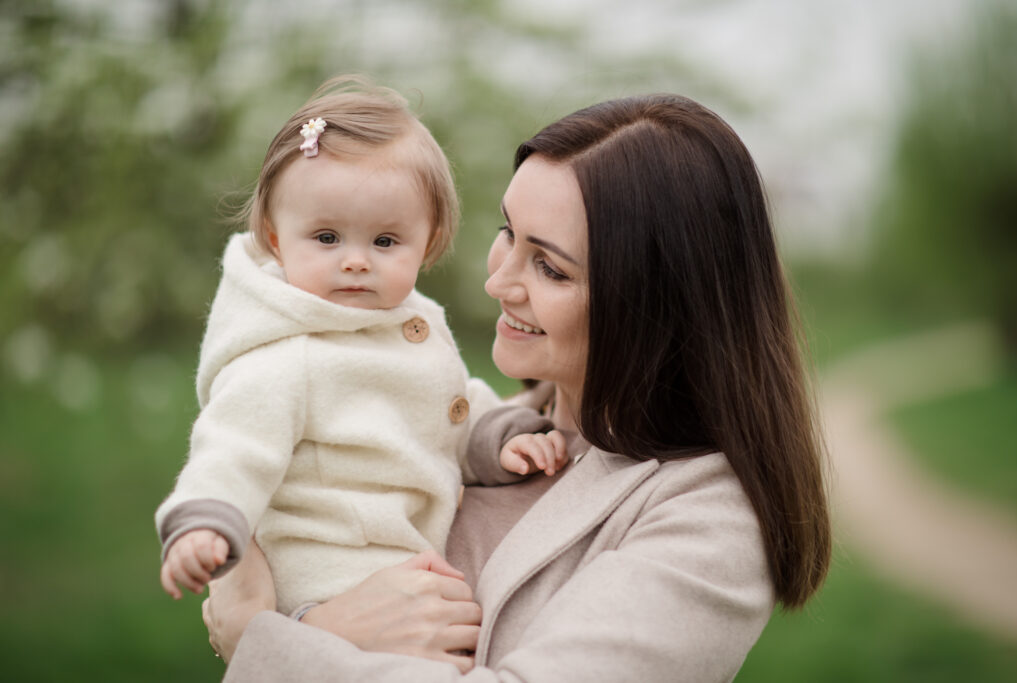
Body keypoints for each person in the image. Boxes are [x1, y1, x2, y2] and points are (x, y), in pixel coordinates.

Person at [204, 92, 832, 681]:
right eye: (508, 233)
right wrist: (317, 623)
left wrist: (264, 641)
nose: (498, 283)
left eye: (550, 267)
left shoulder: (707, 522)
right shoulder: (477, 426)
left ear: (655, 303)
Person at [155, 76, 567, 616]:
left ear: (429, 242)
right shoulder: (287, 354)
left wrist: (499, 438)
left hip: (400, 566)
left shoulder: (400, 321)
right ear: (276, 239)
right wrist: (204, 522)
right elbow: (233, 445)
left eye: (385, 241)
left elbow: (437, 411)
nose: (355, 260)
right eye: (326, 238)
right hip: (332, 578)